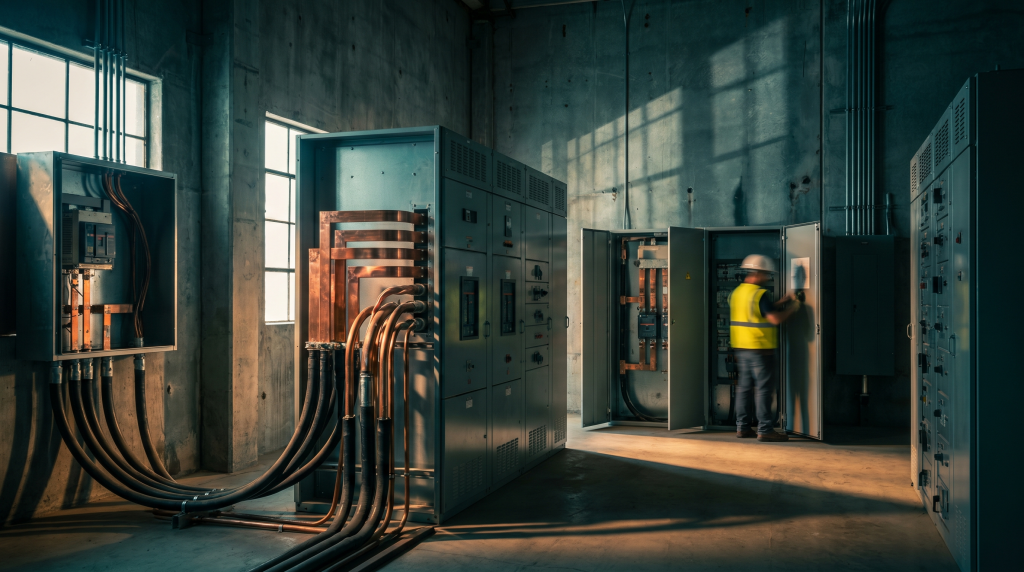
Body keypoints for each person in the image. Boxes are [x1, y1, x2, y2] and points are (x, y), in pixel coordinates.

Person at [730, 254, 801, 442]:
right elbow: (774, 319)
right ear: (758, 273)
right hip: (761, 349)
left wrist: (781, 301)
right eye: (766, 274)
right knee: (763, 390)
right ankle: (765, 429)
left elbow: (757, 312)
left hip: (741, 348)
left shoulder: (738, 293)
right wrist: (793, 307)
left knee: (744, 389)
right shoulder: (760, 294)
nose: (768, 278)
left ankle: (742, 428)